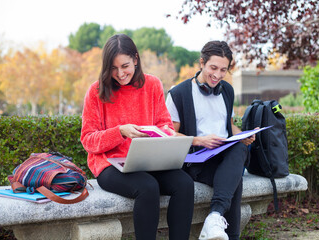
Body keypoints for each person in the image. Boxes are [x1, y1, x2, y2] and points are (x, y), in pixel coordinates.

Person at [80, 34, 194, 240]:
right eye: (113, 68)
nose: (120, 74)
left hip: (148, 161)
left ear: (135, 59)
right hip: (110, 165)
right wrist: (120, 131)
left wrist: (163, 134)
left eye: (125, 66)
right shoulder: (95, 91)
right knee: (148, 187)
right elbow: (88, 139)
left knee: (185, 184)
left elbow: (165, 124)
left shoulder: (152, 85)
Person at [166, 40, 256, 240]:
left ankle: (214, 218)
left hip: (223, 158)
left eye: (223, 70)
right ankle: (222, 226)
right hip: (195, 161)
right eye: (213, 68)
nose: (217, 75)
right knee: (235, 180)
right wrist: (199, 140)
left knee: (239, 150)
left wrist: (242, 134)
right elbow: (169, 134)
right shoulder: (179, 94)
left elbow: (228, 126)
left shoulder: (227, 90)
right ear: (202, 63)